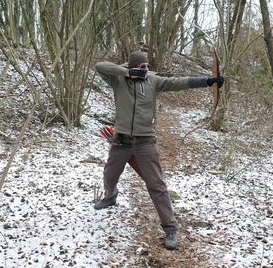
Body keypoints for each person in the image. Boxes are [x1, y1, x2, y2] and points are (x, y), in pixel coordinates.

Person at [93, 50, 224, 250]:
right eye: (142, 66)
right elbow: (99, 66)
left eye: (147, 66)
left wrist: (208, 81)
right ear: (132, 68)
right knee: (110, 174)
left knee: (157, 185)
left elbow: (179, 83)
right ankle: (110, 197)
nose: (146, 69)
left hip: (145, 142)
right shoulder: (118, 81)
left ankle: (170, 228)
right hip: (121, 141)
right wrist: (126, 73)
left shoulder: (153, 81)